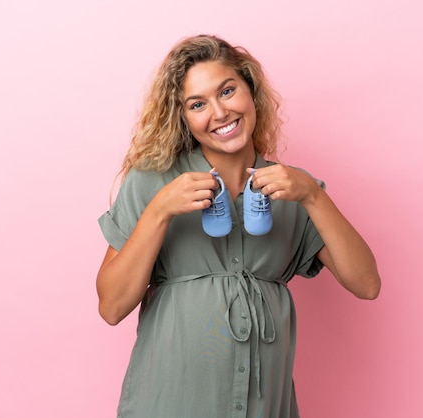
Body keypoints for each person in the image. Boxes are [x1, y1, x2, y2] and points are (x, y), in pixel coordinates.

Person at [96, 34, 381, 418]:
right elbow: (112, 306)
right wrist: (159, 211)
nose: (219, 112)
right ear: (183, 118)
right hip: (168, 403)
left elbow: (366, 284)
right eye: (198, 104)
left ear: (250, 91)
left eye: (227, 91)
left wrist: (314, 195)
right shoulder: (154, 181)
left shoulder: (292, 189)